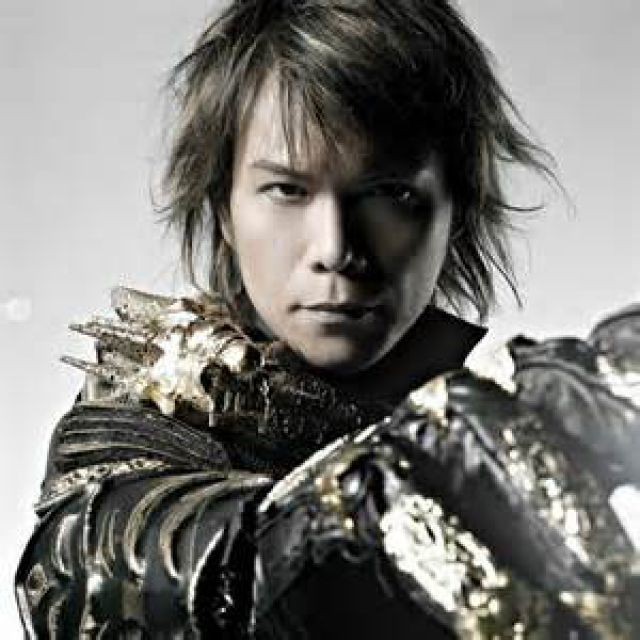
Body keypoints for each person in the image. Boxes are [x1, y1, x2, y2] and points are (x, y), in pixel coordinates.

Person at [15, 1, 639, 637]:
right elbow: (91, 570)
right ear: (225, 208)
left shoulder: (507, 411)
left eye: (389, 193)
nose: (337, 247)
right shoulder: (144, 413)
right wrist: (336, 510)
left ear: (456, 210)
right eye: (287, 190)